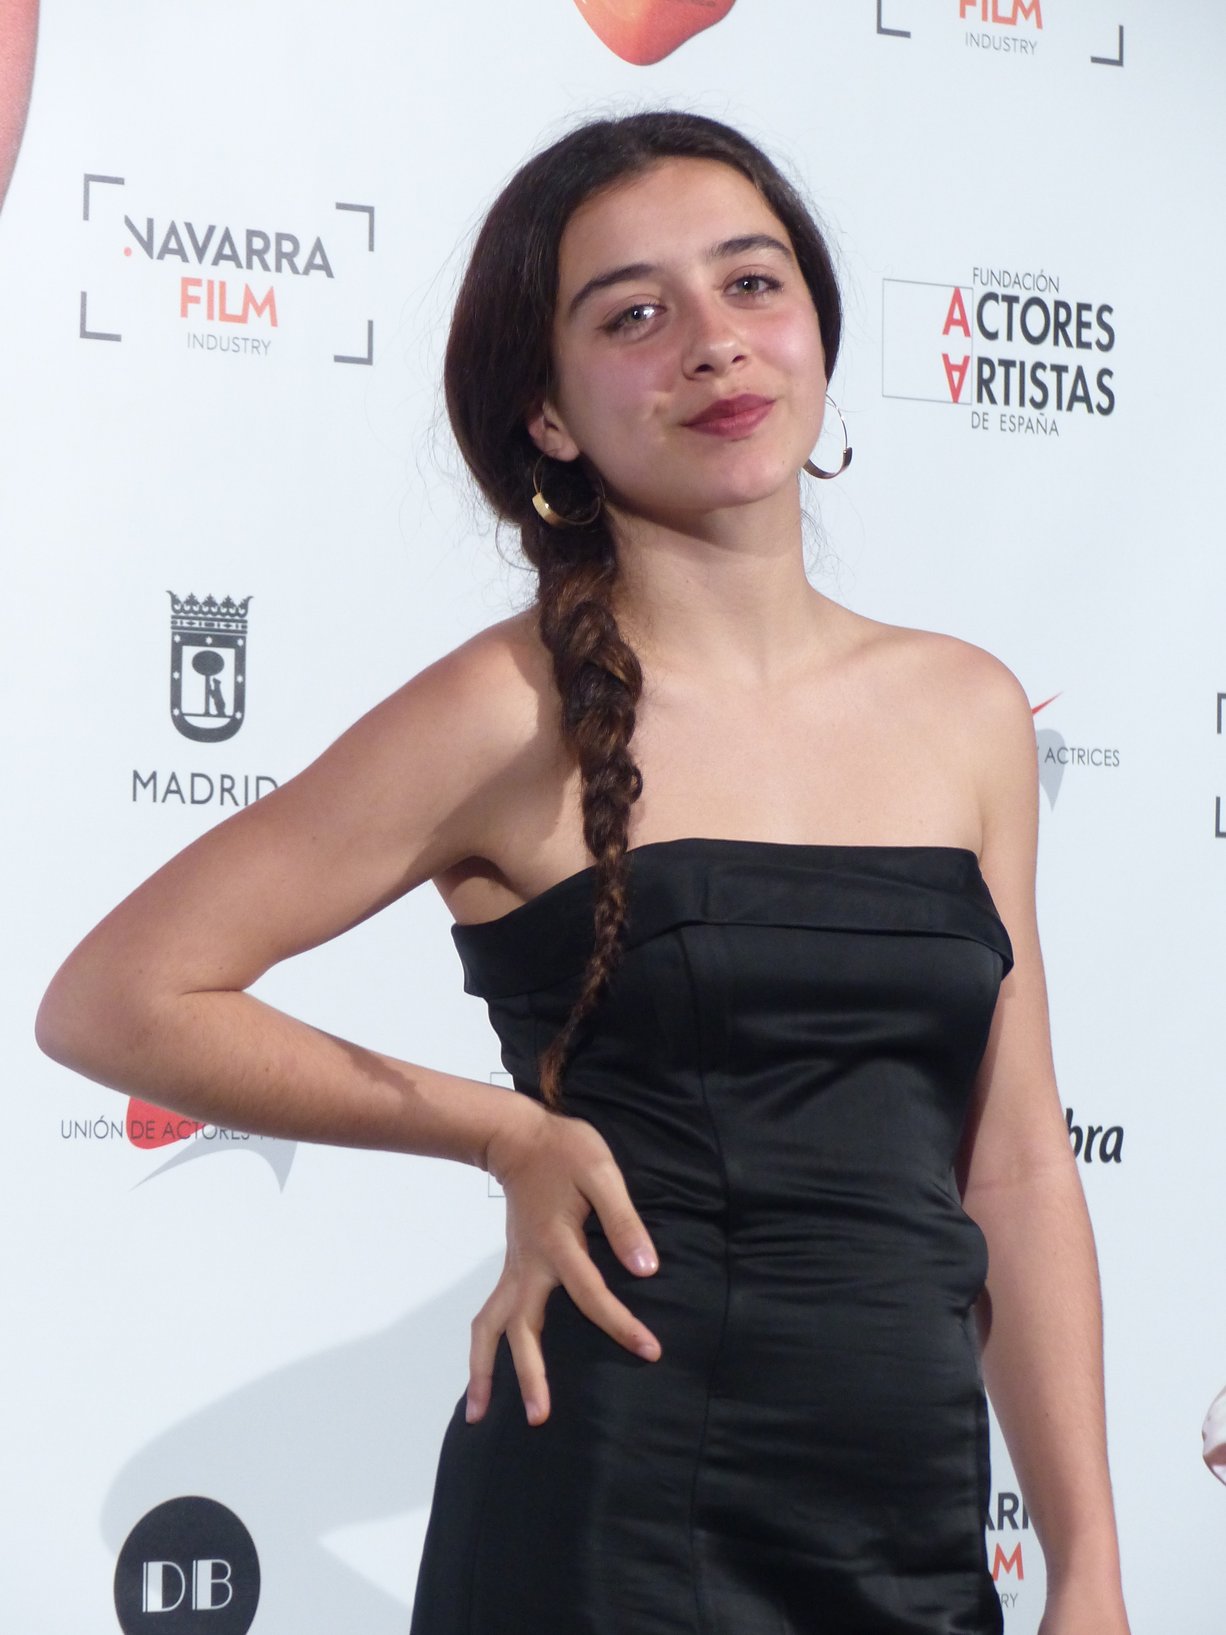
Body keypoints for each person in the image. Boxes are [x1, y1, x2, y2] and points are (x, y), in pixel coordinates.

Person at [37, 111, 1131, 1634]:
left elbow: (1011, 1162)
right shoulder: (506, 708)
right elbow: (115, 997)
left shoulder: (967, 709)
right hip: (610, 1511)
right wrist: (503, 1136)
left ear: (815, 324)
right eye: (632, 315)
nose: (712, 342)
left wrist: (1086, 1563)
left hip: (907, 1525)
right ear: (547, 414)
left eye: (750, 283)